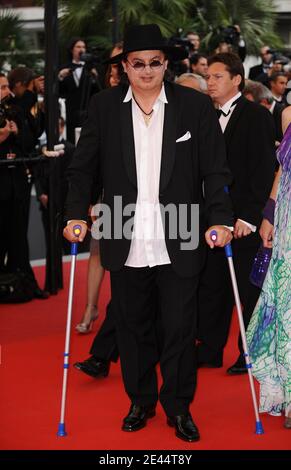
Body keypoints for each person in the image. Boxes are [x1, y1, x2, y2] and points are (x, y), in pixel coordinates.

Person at [64, 24, 233, 443]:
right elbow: (83, 169)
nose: (146, 70)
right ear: (125, 66)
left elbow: (215, 169)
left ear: (165, 64)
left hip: (181, 232)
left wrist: (220, 219)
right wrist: (73, 214)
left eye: (154, 62)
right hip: (124, 230)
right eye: (137, 63)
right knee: (132, 326)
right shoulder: (104, 108)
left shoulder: (193, 106)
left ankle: (178, 407)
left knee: (179, 328)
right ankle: (140, 401)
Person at [197, 53, 276, 373]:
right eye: (208, 77)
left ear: (236, 80)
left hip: (244, 220)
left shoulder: (256, 116)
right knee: (212, 287)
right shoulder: (203, 115)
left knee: (248, 289)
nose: (210, 83)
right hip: (212, 218)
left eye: (217, 77)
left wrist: (249, 218)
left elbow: (263, 170)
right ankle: (210, 348)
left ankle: (250, 352)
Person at [246, 106, 291, 429]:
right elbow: (281, 170)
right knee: (287, 310)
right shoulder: (289, 114)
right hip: (288, 226)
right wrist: (269, 214)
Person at [58, 37, 101, 144]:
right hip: (70, 112)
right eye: (78, 47)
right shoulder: (64, 67)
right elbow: (59, 91)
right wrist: (60, 76)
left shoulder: (91, 69)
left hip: (87, 111)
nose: (81, 49)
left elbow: (98, 91)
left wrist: (95, 77)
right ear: (72, 50)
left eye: (83, 47)